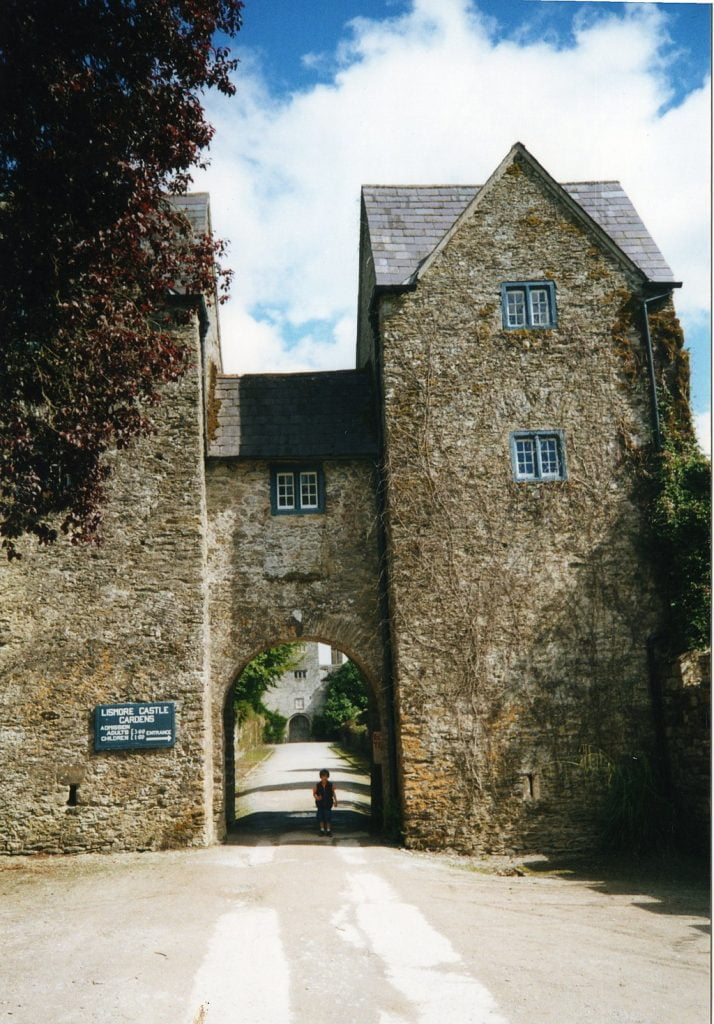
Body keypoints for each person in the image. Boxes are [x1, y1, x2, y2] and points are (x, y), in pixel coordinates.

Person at [313, 768, 337, 836]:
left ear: (328, 777)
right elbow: (314, 793)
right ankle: (322, 830)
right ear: (320, 777)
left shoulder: (330, 785)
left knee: (328, 817)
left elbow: (333, 793)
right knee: (321, 818)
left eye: (326, 776)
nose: (324, 778)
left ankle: (329, 830)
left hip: (328, 804)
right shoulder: (317, 785)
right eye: (323, 776)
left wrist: (336, 801)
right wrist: (316, 797)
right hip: (320, 804)